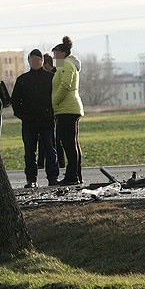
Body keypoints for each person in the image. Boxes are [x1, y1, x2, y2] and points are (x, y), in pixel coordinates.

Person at [11, 49, 59, 187]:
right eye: (32, 60)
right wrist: (21, 115)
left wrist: (53, 113)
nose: (35, 62)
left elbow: (57, 97)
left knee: (50, 150)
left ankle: (52, 177)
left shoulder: (51, 78)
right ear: (29, 61)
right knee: (30, 151)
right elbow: (15, 100)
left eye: (37, 60)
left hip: (47, 121)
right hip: (29, 122)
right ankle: (31, 179)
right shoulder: (22, 79)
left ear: (42, 61)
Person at [51, 36, 84, 185]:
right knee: (72, 143)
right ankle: (76, 175)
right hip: (69, 108)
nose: (53, 58)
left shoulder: (67, 65)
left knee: (69, 143)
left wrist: (54, 102)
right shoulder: (67, 65)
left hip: (67, 109)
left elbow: (64, 85)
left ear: (62, 53)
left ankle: (72, 176)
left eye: (55, 54)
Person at [37, 52, 65, 169]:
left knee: (48, 140)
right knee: (54, 140)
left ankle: (42, 164)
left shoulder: (53, 76)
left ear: (46, 64)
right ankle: (60, 163)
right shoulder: (58, 72)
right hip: (52, 111)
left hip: (52, 111)